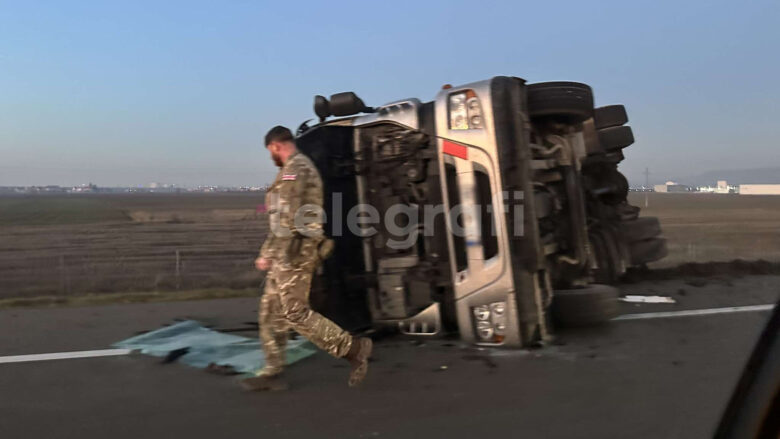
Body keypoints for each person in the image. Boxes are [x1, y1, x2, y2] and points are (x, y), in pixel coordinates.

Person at [241, 125, 372, 391]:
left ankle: (353, 348)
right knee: (269, 312)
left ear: (275, 146)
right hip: (287, 251)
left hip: (294, 252)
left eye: (270, 152)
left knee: (295, 313)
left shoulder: (295, 170)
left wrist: (268, 253)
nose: (271, 157)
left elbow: (287, 218)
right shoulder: (294, 169)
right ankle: (273, 371)